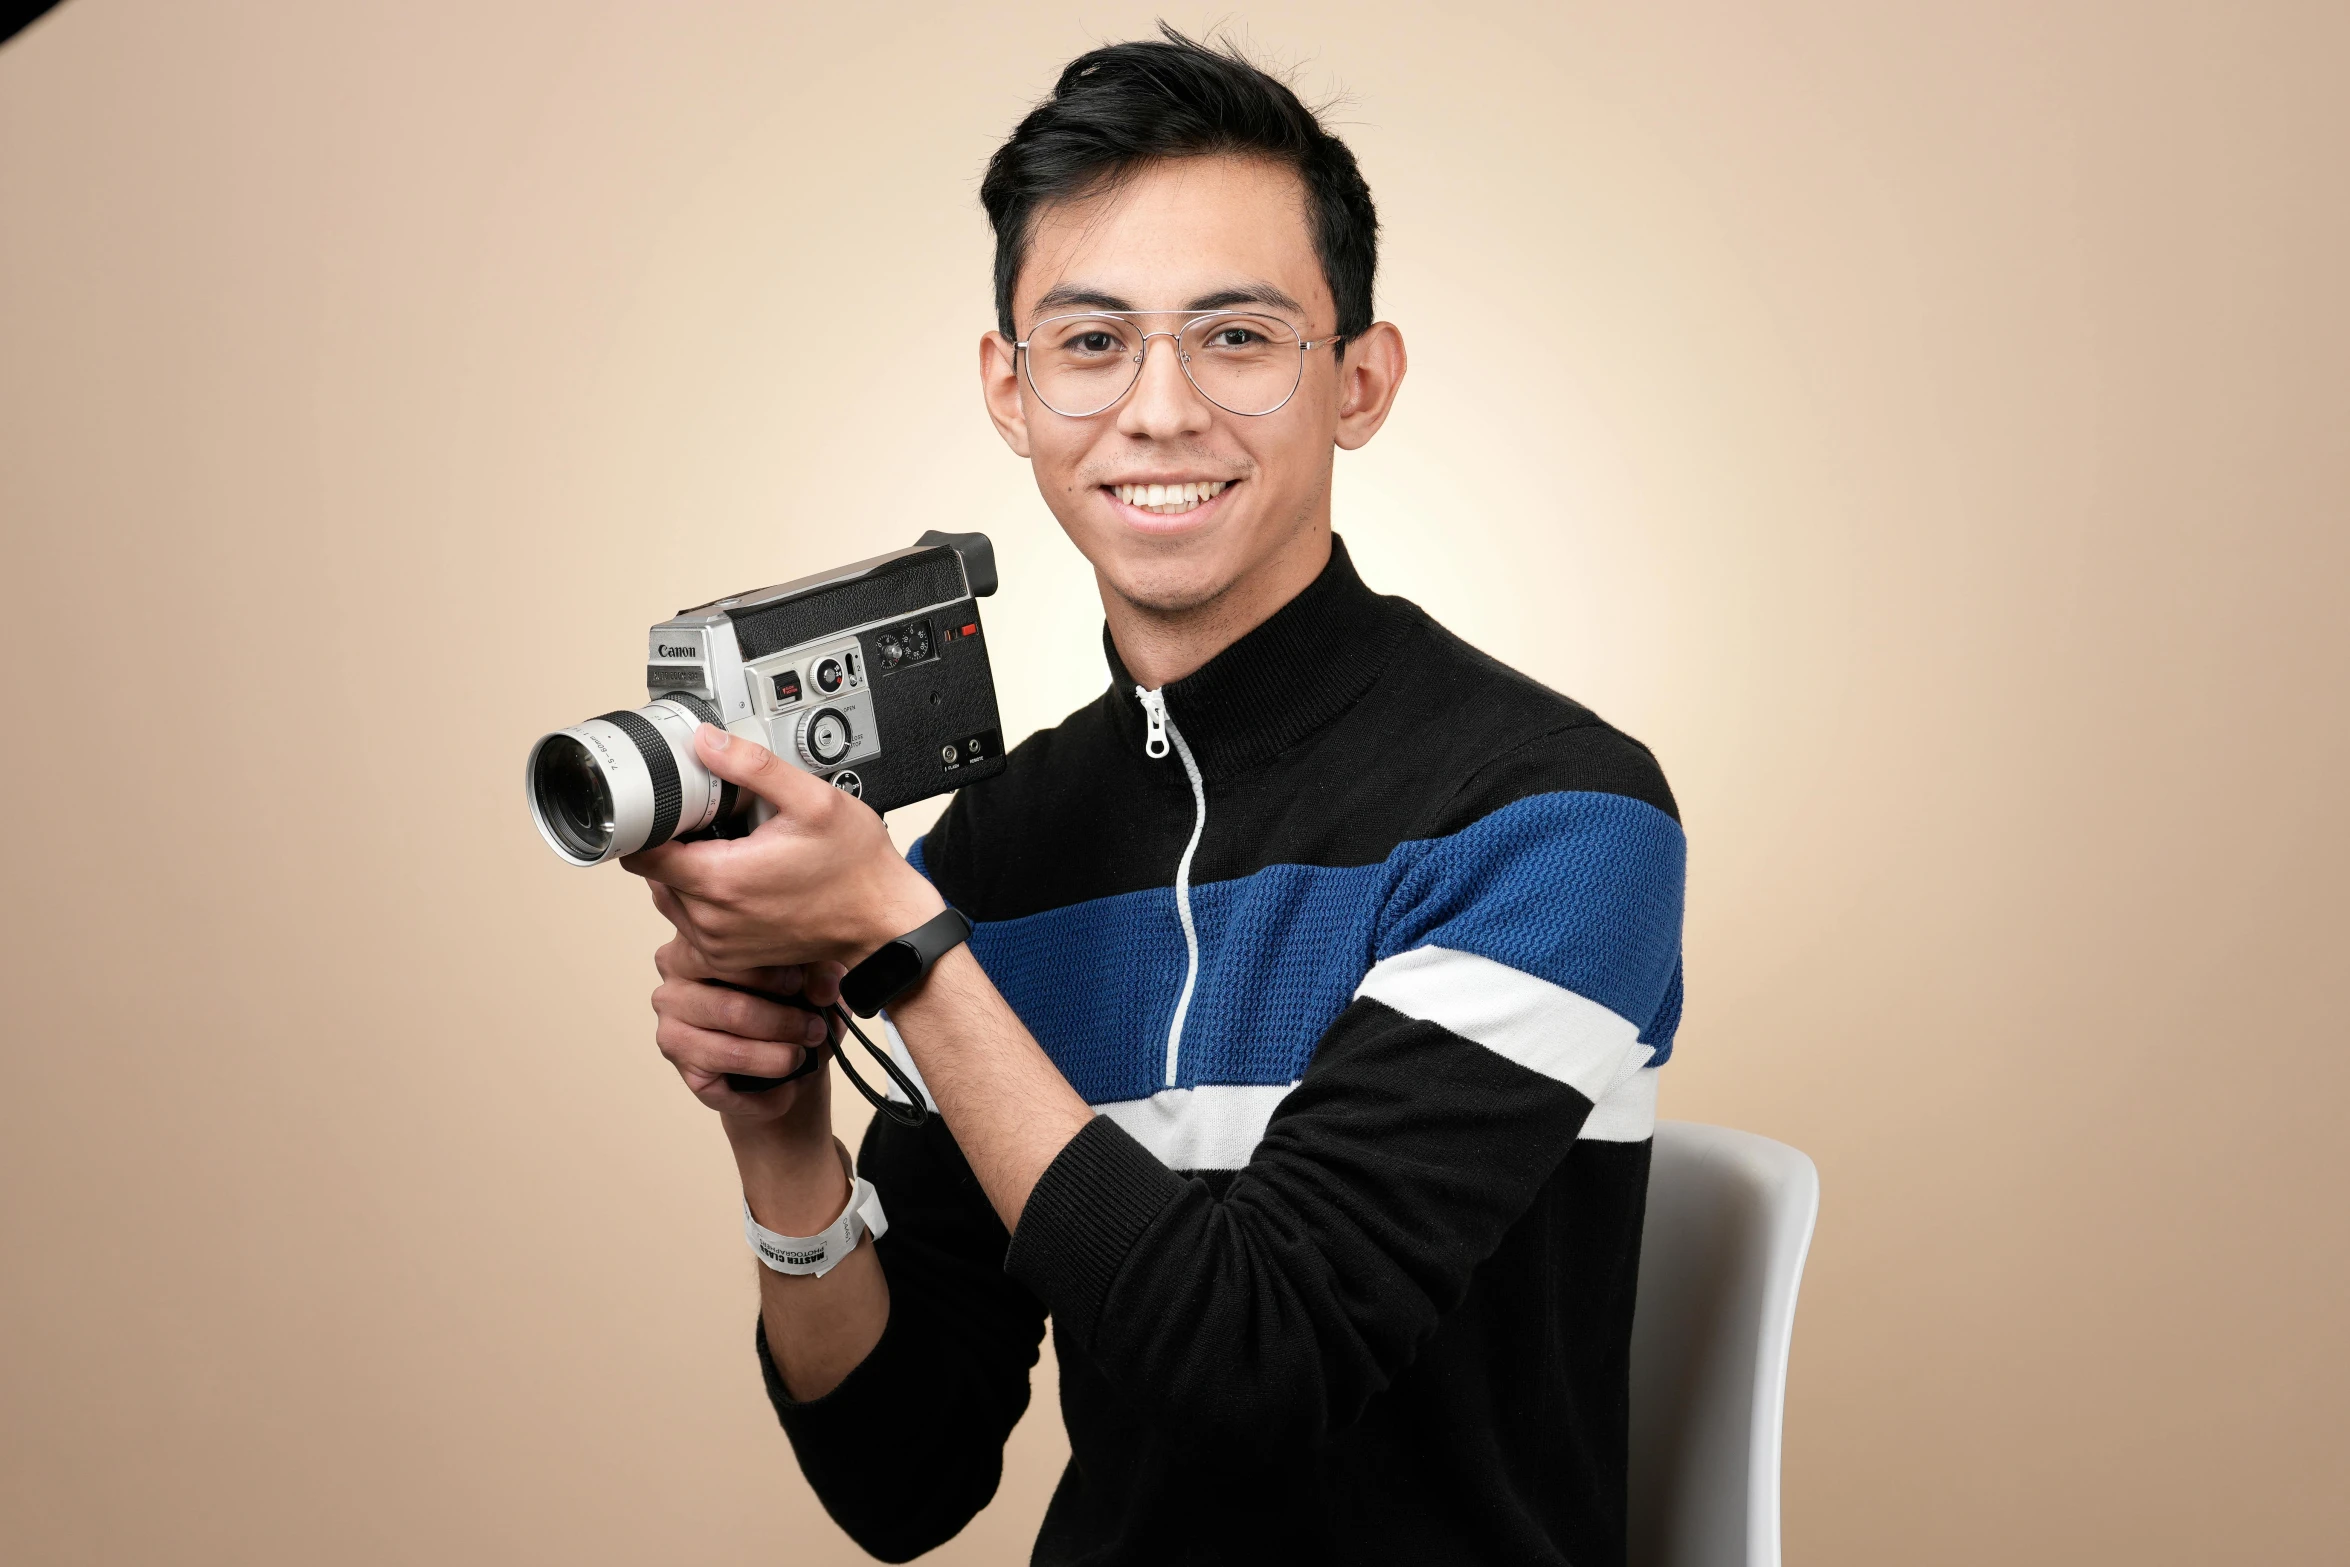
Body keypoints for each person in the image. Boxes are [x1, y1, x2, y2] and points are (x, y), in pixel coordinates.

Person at [625, 27, 1686, 1566]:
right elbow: (901, 1477)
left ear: (1361, 382)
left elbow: (1260, 1365)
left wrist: (905, 952)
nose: (1161, 409)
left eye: (1239, 336)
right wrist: (784, 1135)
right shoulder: (998, 843)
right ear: (1011, 388)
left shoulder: (1555, 817)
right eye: (1091, 340)